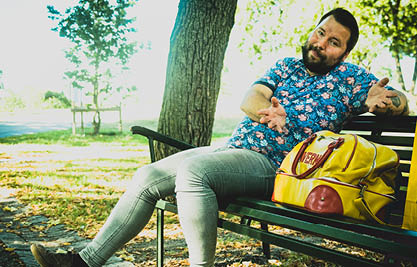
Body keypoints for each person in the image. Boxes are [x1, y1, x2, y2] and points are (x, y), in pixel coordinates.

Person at [31, 7, 409, 267]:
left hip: (278, 166)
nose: (321, 43)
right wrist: (267, 110)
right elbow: (251, 97)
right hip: (235, 148)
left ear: (343, 53)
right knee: (146, 177)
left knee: (193, 173)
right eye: (320, 32)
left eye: (333, 42)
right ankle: (86, 260)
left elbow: (398, 101)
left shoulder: (349, 79)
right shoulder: (287, 65)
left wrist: (387, 102)